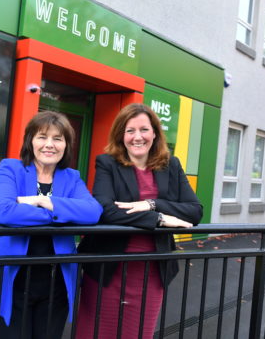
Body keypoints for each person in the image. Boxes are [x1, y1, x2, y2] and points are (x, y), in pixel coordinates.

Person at [76, 103, 203, 339]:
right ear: (121, 135)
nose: (137, 137)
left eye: (144, 129)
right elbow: (105, 211)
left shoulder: (171, 165)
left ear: (154, 133)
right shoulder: (108, 163)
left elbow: (194, 211)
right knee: (95, 333)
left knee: (138, 333)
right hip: (109, 267)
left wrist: (152, 204)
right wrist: (161, 219)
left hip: (151, 271)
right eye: (130, 130)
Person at [0, 111, 102, 339]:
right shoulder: (11, 168)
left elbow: (93, 212)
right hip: (10, 281)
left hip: (56, 285)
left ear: (66, 145)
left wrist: (44, 201)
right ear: (30, 141)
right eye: (42, 137)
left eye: (58, 138)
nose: (49, 145)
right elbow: (4, 212)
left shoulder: (71, 177)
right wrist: (63, 213)